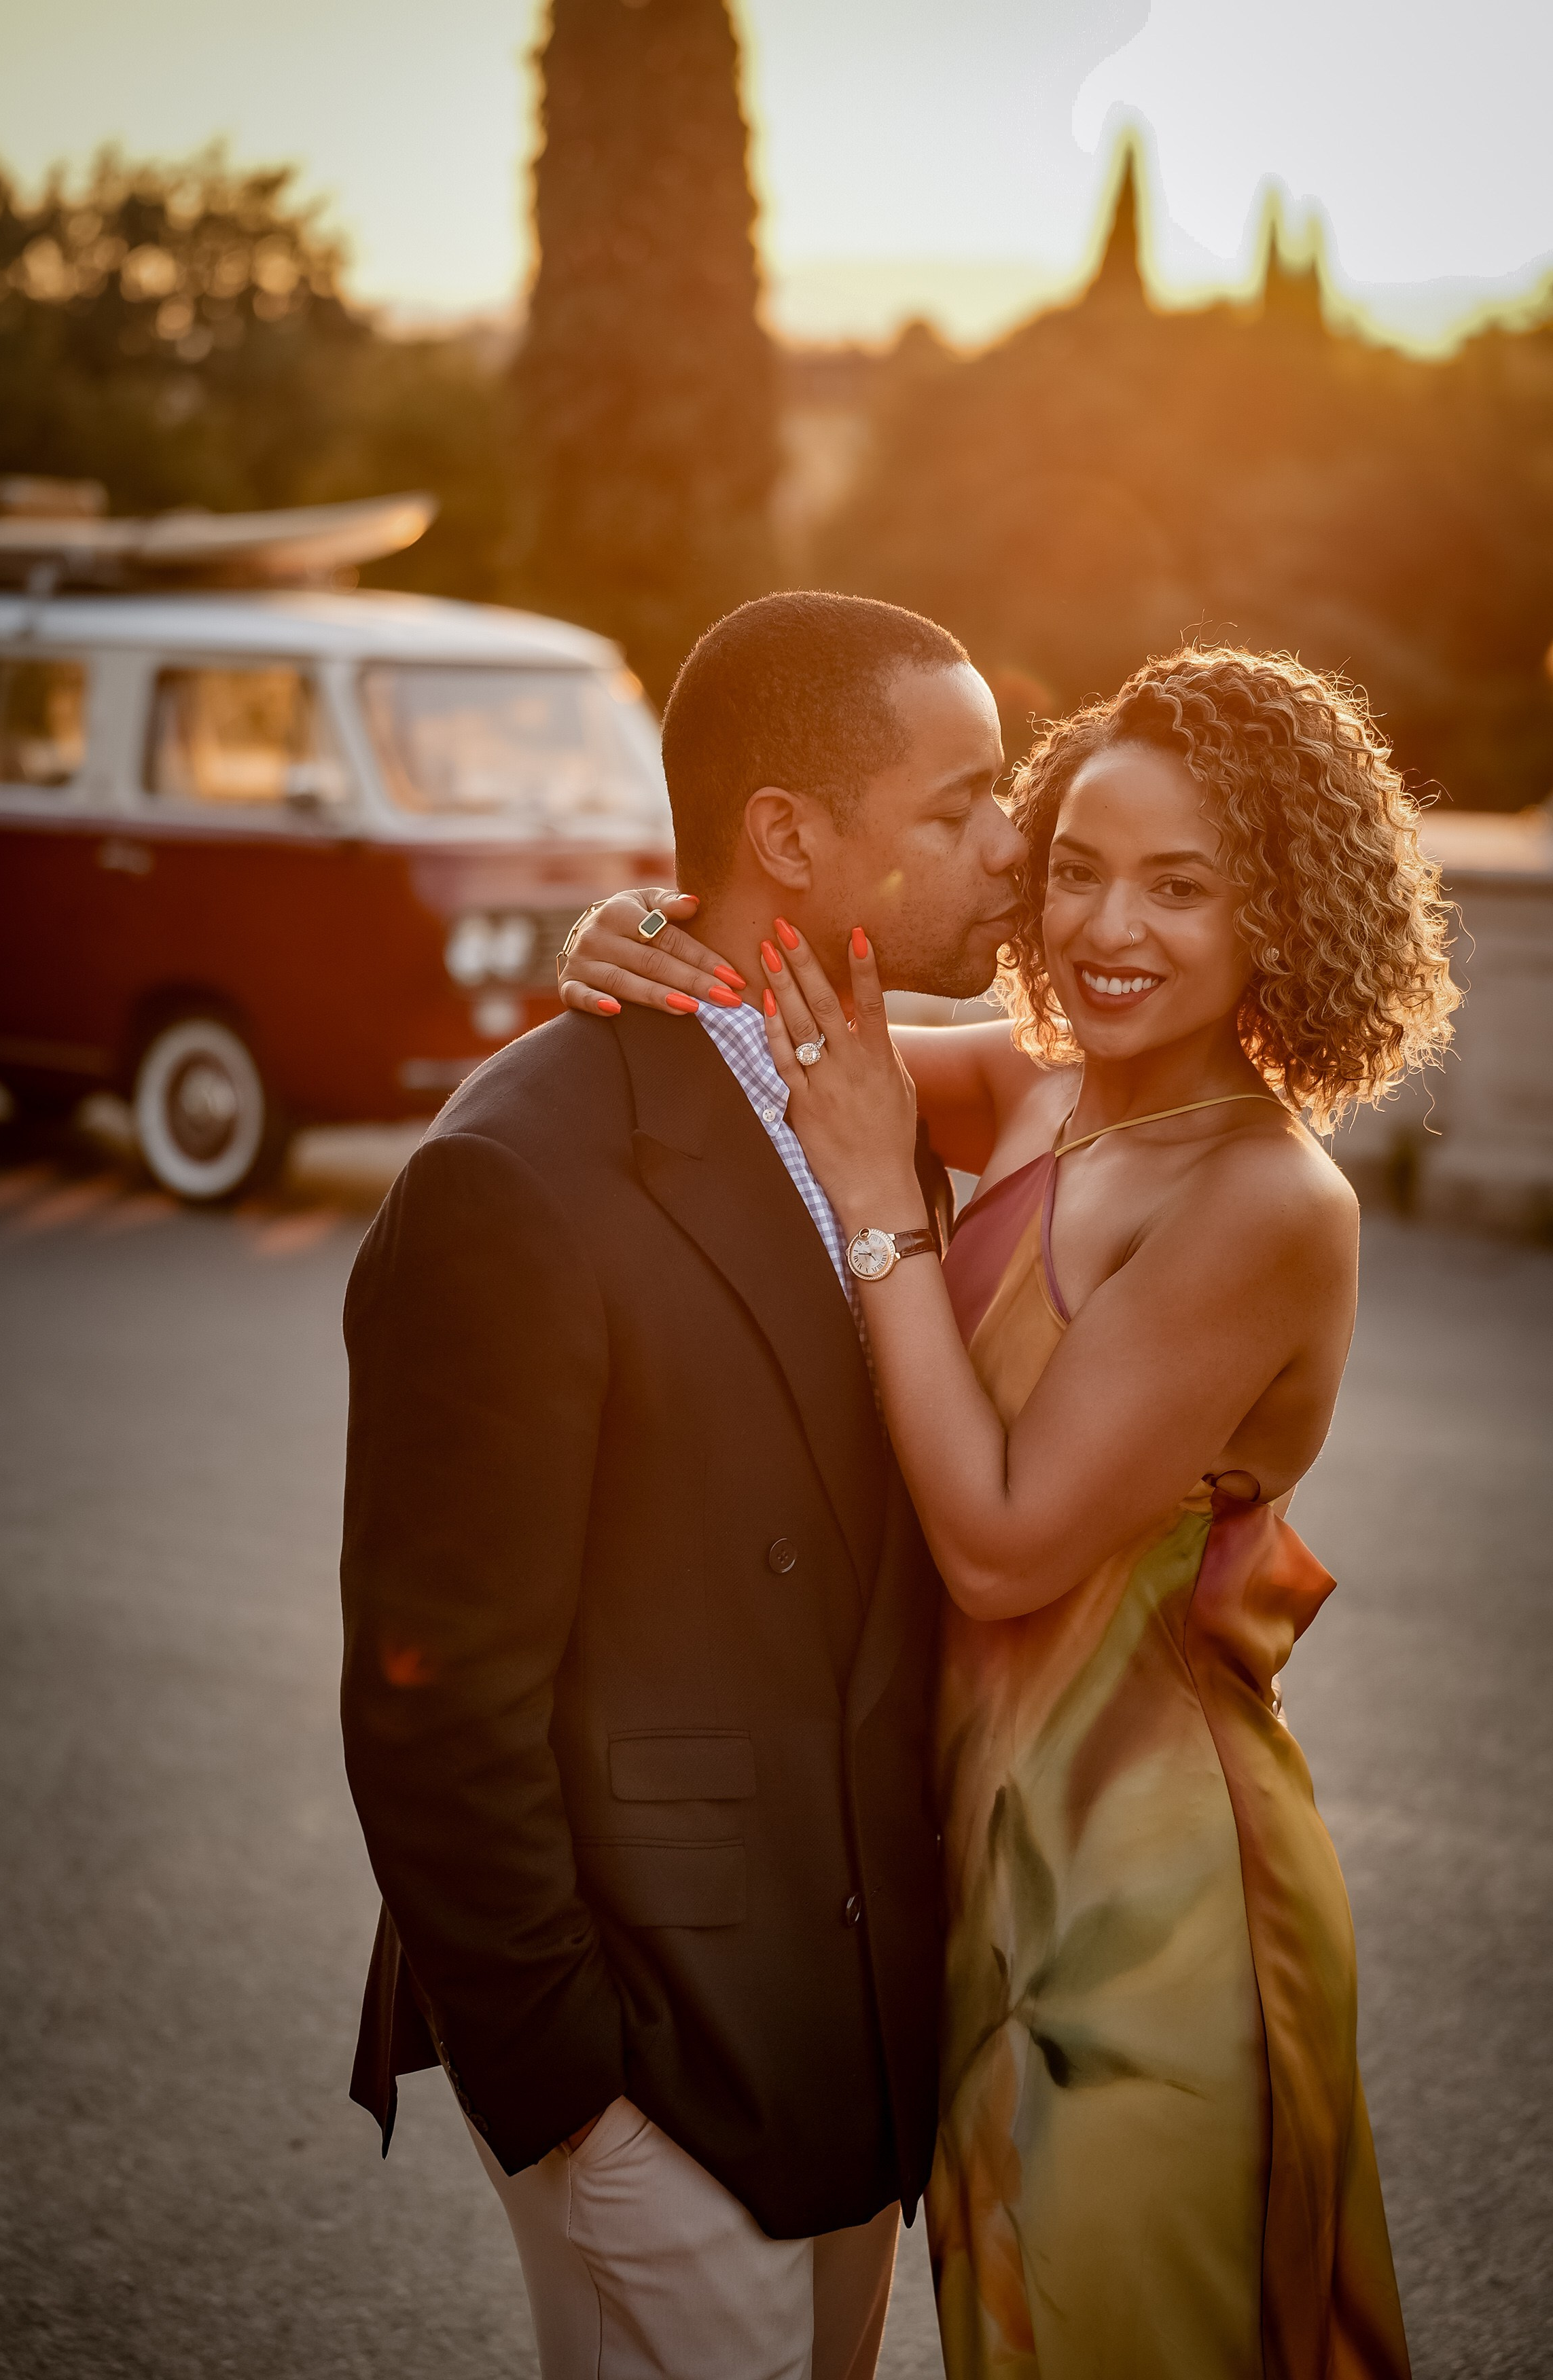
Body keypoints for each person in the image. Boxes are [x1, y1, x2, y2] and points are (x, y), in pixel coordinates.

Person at [560, 643, 1457, 2378]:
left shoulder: (1269, 1203)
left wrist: (881, 1207)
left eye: (1180, 888)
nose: (1106, 927)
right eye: (1074, 869)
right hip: (973, 1868)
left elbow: (999, 1543)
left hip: (1144, 1900)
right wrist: (628, 927)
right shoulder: (1049, 1094)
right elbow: (774, 1004)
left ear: (1278, 913)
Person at [338, 591, 1024, 2379]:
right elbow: (433, 1693)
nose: (1010, 851)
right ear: (787, 834)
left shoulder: (891, 1090)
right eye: (956, 808)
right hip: (653, 2071)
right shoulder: (513, 1179)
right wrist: (570, 2093)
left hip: (857, 2026)